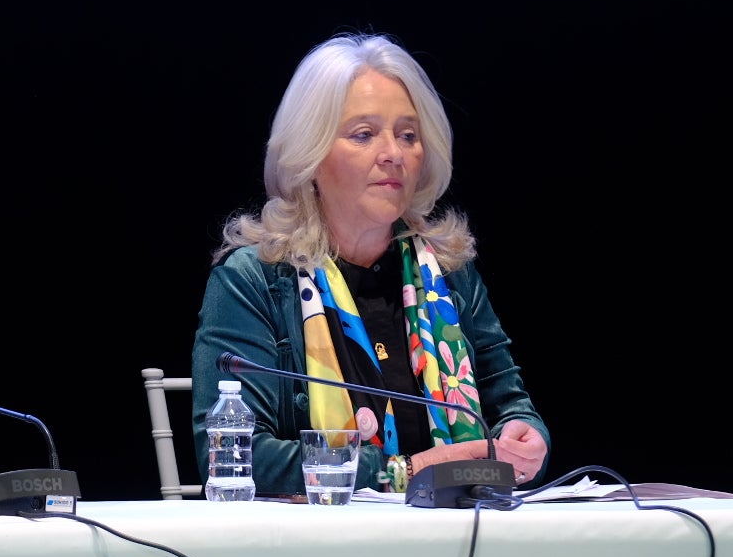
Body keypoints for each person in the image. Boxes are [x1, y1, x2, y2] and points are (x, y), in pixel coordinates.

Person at [191, 33, 550, 496]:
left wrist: (526, 436)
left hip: (463, 535)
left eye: (408, 135)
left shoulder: (449, 273)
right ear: (310, 156)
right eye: (364, 135)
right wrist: (407, 469)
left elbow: (510, 405)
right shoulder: (255, 280)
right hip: (317, 554)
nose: (394, 154)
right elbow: (236, 457)